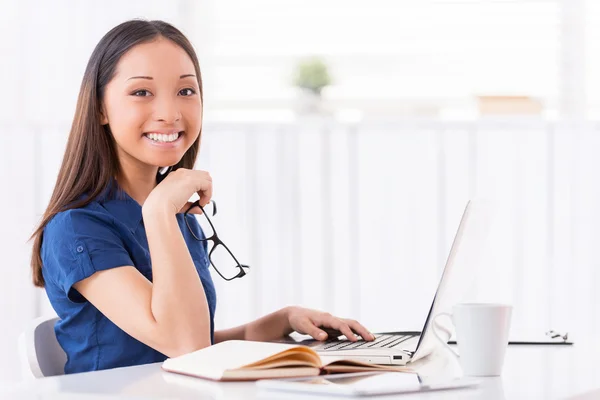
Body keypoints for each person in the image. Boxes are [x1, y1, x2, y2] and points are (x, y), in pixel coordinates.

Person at [29, 19, 375, 374]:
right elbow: (185, 345)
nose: (170, 114)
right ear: (100, 107)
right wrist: (161, 208)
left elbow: (194, 340)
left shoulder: (175, 215)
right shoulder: (78, 229)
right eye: (142, 92)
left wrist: (283, 321)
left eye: (185, 91)